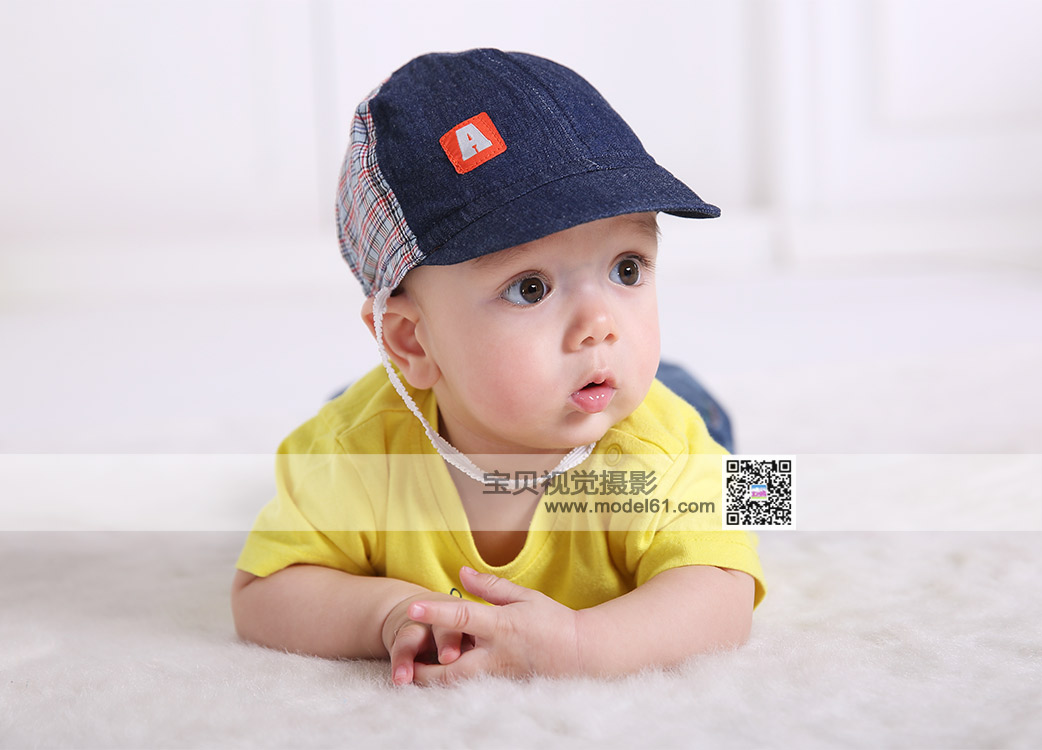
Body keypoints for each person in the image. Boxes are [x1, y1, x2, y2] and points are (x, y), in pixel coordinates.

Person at [231, 48, 766, 686]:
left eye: (627, 269)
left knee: (747, 492)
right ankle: (385, 391)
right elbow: (260, 592)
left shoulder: (666, 446)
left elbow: (726, 592)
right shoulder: (356, 452)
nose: (601, 322)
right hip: (419, 404)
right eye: (530, 288)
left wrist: (581, 644)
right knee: (341, 419)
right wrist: (387, 613)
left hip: (672, 411)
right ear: (411, 342)